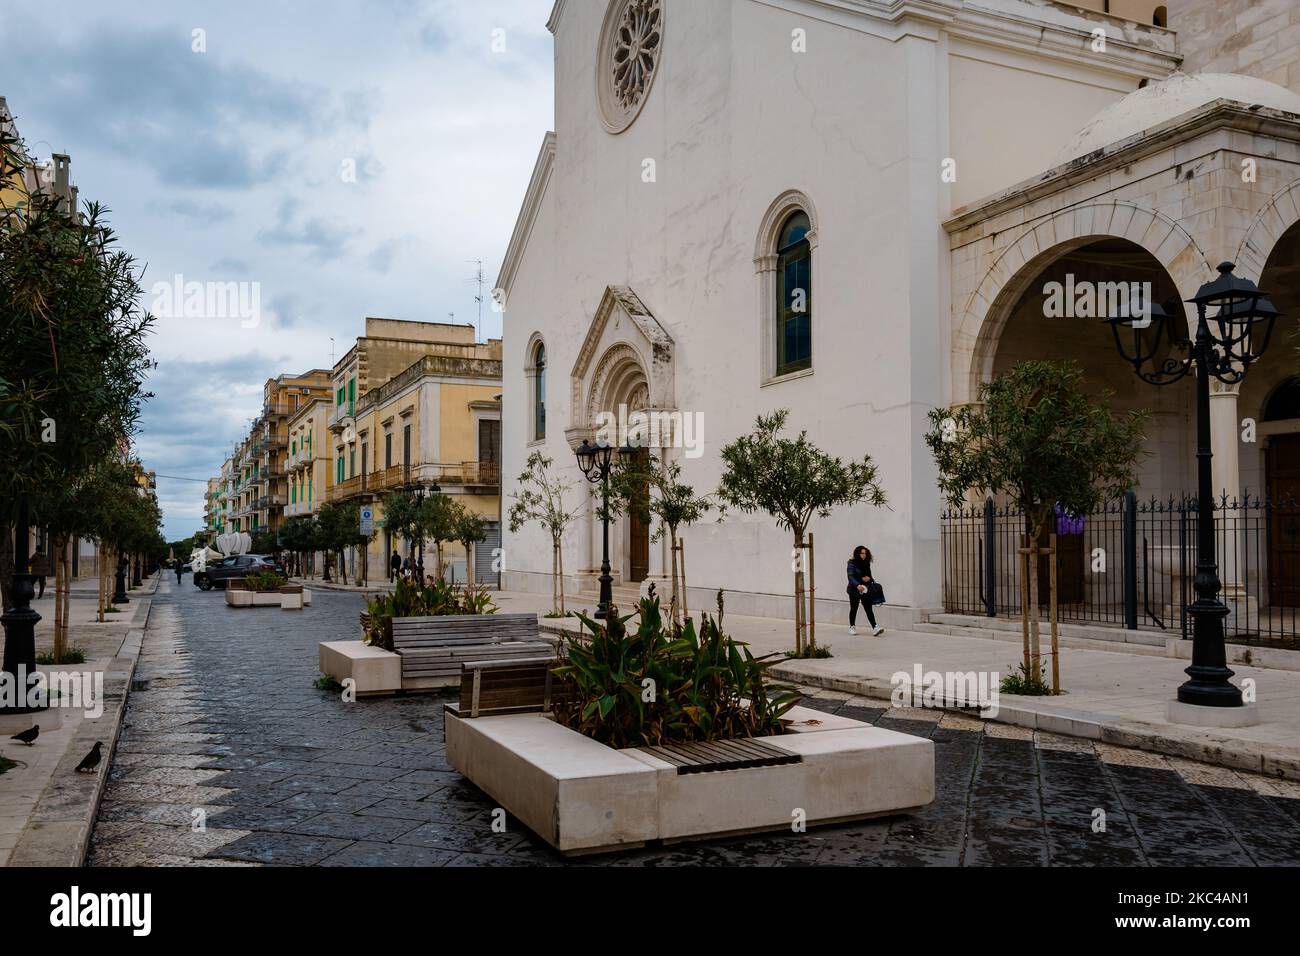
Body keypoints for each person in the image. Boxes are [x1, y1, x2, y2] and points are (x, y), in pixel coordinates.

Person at [846, 545, 883, 636]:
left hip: (865, 589)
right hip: (854, 589)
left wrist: (868, 579)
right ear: (857, 553)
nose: (864, 555)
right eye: (862, 553)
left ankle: (875, 627)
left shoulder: (866, 563)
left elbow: (869, 576)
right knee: (854, 608)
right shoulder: (852, 563)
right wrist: (858, 584)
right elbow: (850, 576)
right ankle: (852, 627)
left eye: (865, 553)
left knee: (868, 608)